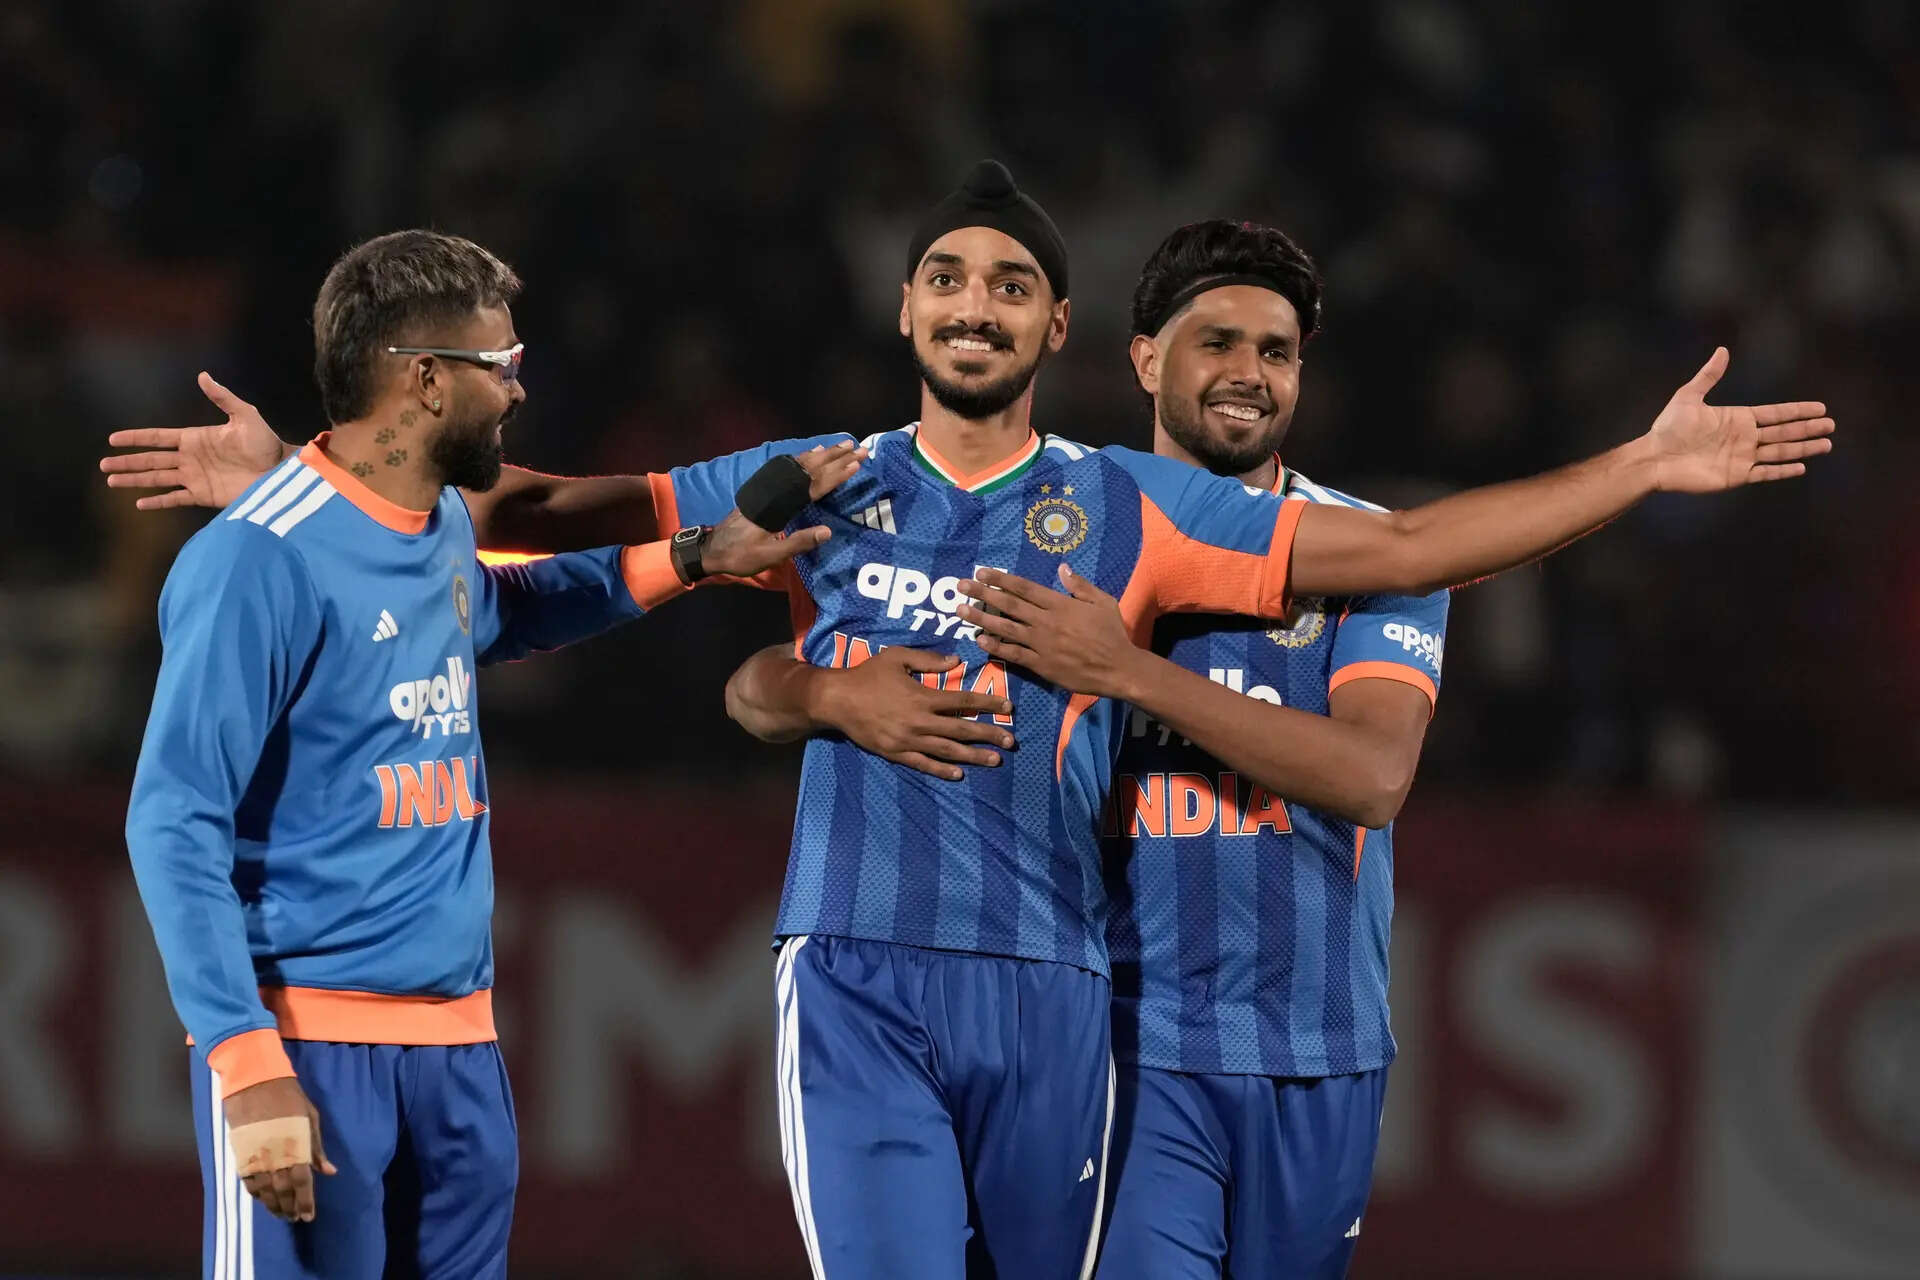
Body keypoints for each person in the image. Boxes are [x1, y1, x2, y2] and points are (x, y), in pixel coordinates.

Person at [103, 163, 1833, 1280]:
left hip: (1064, 988)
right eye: (948, 277)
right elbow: (559, 511)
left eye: (1012, 284)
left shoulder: (1139, 504)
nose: (977, 303)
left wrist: (1641, 466)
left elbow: (1396, 549)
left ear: (1060, 330)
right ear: (909, 311)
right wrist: (328, 483)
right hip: (854, 972)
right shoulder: (823, 481)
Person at [123, 229, 853, 1280]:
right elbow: (172, 815)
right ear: (424, 380)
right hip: (309, 1050)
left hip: (460, 1052)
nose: (519, 391)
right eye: (502, 365)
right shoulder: (254, 558)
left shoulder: (439, 528)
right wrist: (245, 1062)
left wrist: (696, 557)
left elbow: (495, 611)